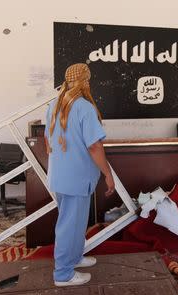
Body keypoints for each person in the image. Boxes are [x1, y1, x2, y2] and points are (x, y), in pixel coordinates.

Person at [44, 63, 115, 287]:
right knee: (69, 224)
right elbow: (94, 146)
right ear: (85, 81)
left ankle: (74, 258)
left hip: (61, 175)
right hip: (77, 178)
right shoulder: (84, 107)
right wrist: (108, 173)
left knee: (75, 223)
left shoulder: (54, 104)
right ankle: (63, 274)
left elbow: (47, 140)